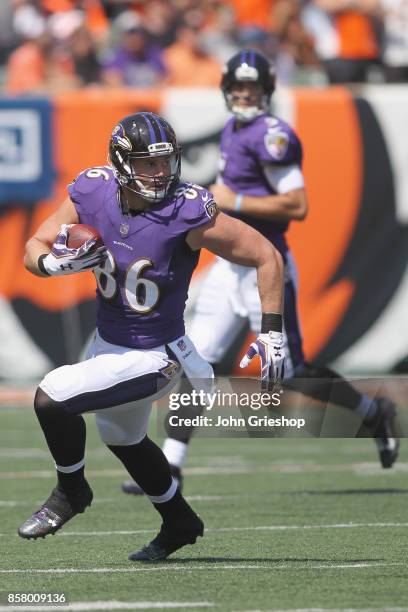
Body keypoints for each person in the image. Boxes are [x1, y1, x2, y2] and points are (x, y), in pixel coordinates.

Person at [122, 50, 399, 496]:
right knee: (197, 359)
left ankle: (371, 411)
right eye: (237, 87)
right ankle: (171, 463)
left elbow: (297, 205)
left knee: (292, 372)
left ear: (267, 91)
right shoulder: (234, 128)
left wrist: (233, 200)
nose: (244, 94)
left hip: (263, 267)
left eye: (252, 88)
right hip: (226, 270)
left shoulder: (273, 135)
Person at [18, 111, 285, 562]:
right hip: (107, 343)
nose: (161, 173)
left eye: (166, 162)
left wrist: (272, 333)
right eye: (148, 163)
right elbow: (35, 246)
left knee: (52, 396)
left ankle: (71, 491)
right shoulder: (92, 189)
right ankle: (180, 521)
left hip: (157, 354)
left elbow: (266, 255)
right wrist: (52, 265)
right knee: (124, 440)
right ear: (122, 163)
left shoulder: (186, 211)